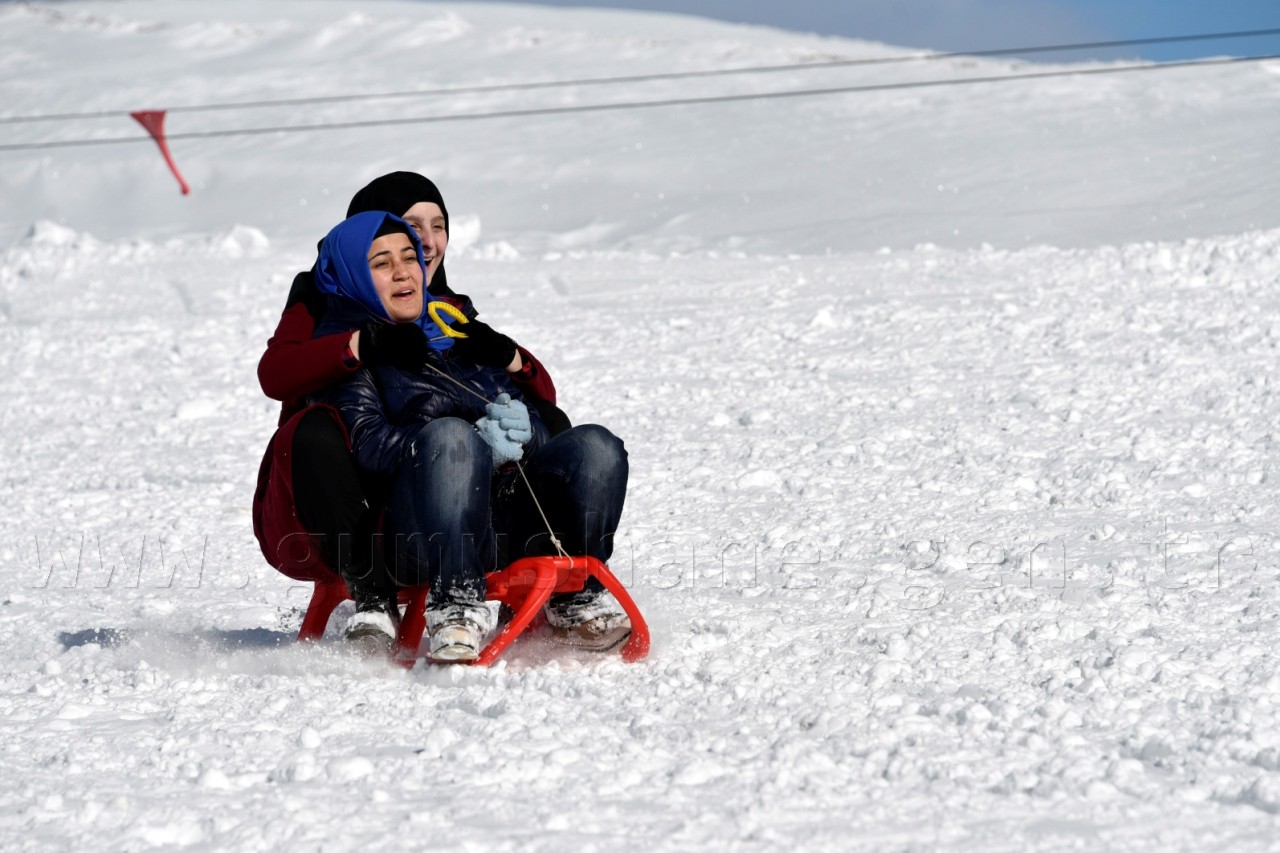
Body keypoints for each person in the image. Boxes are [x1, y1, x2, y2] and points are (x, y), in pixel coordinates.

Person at [253, 172, 567, 653]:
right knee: (314, 430)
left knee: (549, 427)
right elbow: (275, 375)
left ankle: (554, 582)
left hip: (429, 480)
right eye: (409, 225)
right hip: (336, 495)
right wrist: (363, 344)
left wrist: (507, 357)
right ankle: (371, 593)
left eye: (437, 225)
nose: (426, 241)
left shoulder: (443, 308)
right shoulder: (321, 299)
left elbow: (541, 391)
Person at [306, 210, 630, 661]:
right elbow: (366, 447)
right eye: (381, 264)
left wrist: (525, 428)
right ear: (355, 276)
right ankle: (455, 603)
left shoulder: (453, 331)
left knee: (597, 446)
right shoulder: (347, 351)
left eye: (410, 258)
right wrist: (462, 443)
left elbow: (523, 423)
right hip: (420, 530)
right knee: (452, 438)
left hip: (505, 519)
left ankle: (574, 593)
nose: (403, 272)